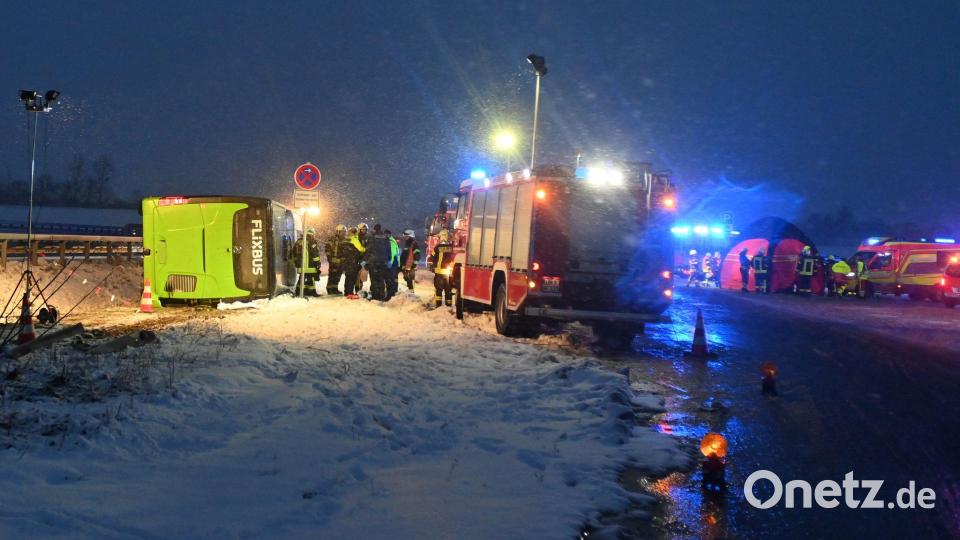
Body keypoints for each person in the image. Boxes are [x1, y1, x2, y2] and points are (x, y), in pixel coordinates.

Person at [366, 224, 394, 301]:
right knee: (381, 279)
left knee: (374, 279)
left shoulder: (372, 237)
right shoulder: (385, 238)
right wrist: (388, 260)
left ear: (374, 229)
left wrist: (366, 260)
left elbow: (368, 250)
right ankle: (381, 295)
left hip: (373, 262)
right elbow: (389, 250)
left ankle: (375, 296)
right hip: (383, 262)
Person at [292, 227, 322, 296]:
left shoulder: (299, 241)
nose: (314, 236)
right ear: (311, 234)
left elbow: (293, 252)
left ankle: (299, 292)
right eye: (313, 234)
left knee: (302, 279)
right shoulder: (312, 242)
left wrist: (296, 262)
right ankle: (312, 292)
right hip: (310, 265)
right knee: (310, 279)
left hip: (301, 266)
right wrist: (318, 263)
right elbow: (315, 254)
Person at [429, 229, 454, 307]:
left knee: (439, 291)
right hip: (448, 274)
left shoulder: (437, 247)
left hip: (439, 273)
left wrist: (432, 265)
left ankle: (438, 306)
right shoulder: (451, 247)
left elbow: (431, 257)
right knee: (448, 291)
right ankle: (448, 306)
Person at [342, 226, 366, 298]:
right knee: (352, 278)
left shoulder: (346, 239)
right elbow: (361, 249)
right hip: (353, 261)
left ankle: (347, 292)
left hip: (346, 261)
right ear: (355, 233)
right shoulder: (354, 239)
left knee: (348, 277)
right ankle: (350, 293)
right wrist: (366, 249)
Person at [324, 224, 348, 295]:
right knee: (332, 275)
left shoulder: (345, 240)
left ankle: (334, 288)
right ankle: (329, 289)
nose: (344, 234)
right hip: (333, 261)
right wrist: (329, 258)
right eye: (342, 232)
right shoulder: (332, 239)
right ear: (338, 232)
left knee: (338, 276)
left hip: (341, 261)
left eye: (344, 232)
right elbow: (327, 249)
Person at [385, 229, 401, 298]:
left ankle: (390, 295)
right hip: (395, 263)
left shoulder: (391, 242)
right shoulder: (392, 241)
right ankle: (393, 293)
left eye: (386, 234)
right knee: (394, 279)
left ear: (388, 235)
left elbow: (391, 254)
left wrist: (389, 264)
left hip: (392, 264)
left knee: (390, 280)